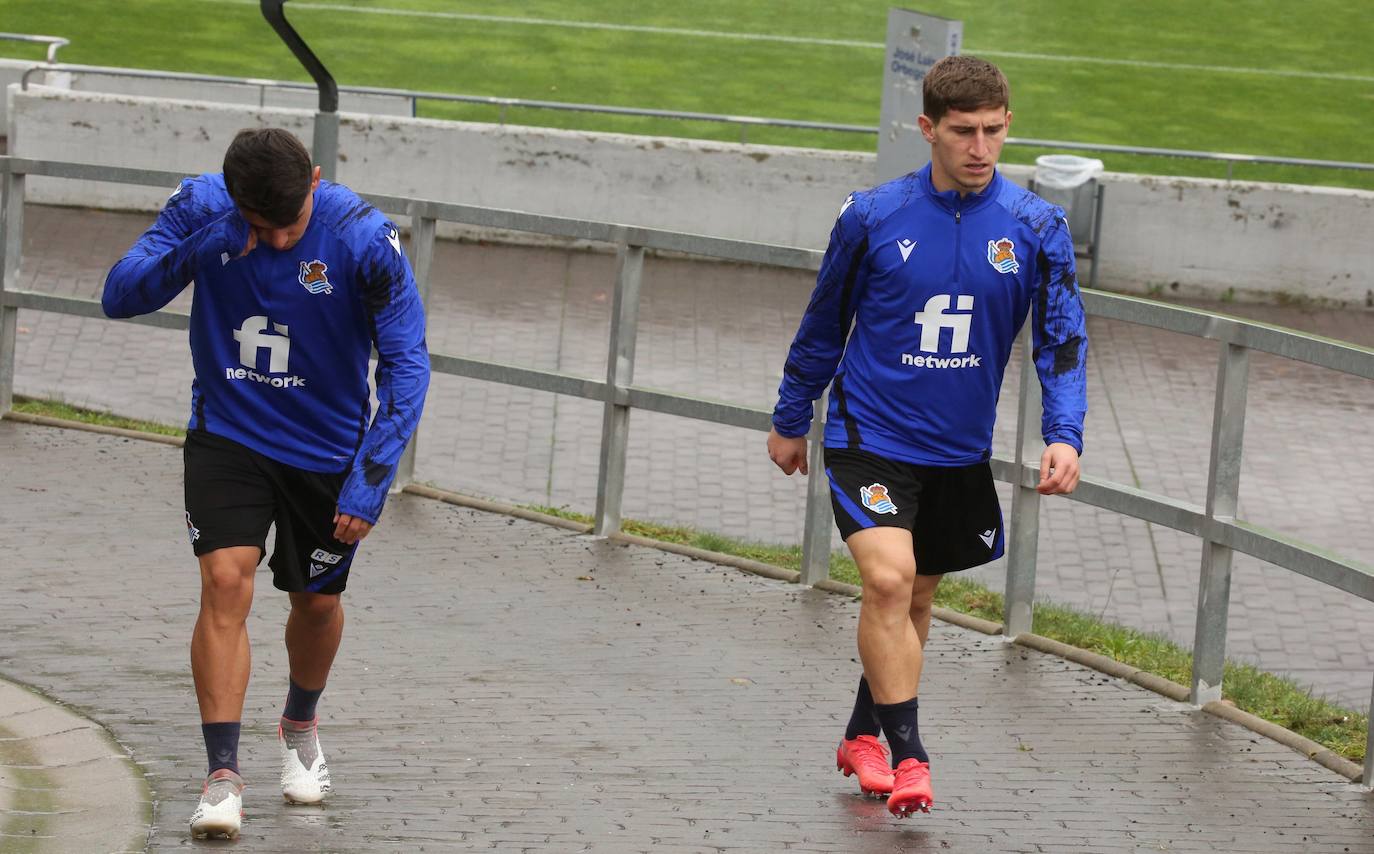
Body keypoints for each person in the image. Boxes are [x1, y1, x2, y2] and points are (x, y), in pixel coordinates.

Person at [766, 56, 1087, 818]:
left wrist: (1064, 434)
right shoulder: (872, 217)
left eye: (994, 131)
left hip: (956, 450)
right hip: (866, 434)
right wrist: (790, 416)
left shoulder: (1038, 226)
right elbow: (823, 323)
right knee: (885, 581)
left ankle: (861, 736)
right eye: (963, 132)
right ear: (927, 129)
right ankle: (911, 756)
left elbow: (1062, 342)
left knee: (911, 600)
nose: (980, 147)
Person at [103, 128, 431, 839]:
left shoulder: (364, 238)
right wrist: (206, 245)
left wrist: (373, 478)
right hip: (229, 432)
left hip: (326, 452)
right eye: (261, 226)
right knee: (225, 579)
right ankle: (222, 777)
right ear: (236, 202)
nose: (278, 242)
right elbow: (118, 296)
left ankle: (300, 723)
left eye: (290, 225)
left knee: (314, 601)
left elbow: (408, 363)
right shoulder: (203, 209)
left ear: (316, 181)